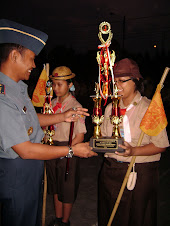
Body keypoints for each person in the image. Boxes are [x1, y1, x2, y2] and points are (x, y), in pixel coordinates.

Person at [0, 19, 97, 226]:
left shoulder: (17, 89)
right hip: (18, 171)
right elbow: (25, 150)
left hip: (30, 169)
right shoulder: (3, 97)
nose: (34, 65)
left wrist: (63, 116)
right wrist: (71, 150)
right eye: (32, 58)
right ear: (15, 56)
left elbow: (31, 119)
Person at [98, 58, 169, 226]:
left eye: (122, 81)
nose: (117, 85)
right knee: (111, 217)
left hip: (140, 172)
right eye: (115, 81)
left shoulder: (149, 108)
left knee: (138, 218)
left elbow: (161, 145)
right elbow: (103, 138)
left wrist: (134, 151)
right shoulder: (110, 108)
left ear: (136, 81)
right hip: (111, 172)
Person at [46, 66, 86, 226]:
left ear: (70, 85)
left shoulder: (76, 106)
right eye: (54, 84)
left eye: (60, 84)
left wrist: (67, 151)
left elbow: (80, 135)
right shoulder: (51, 103)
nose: (56, 88)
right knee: (55, 186)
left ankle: (64, 221)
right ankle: (57, 218)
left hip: (69, 150)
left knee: (67, 189)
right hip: (51, 149)